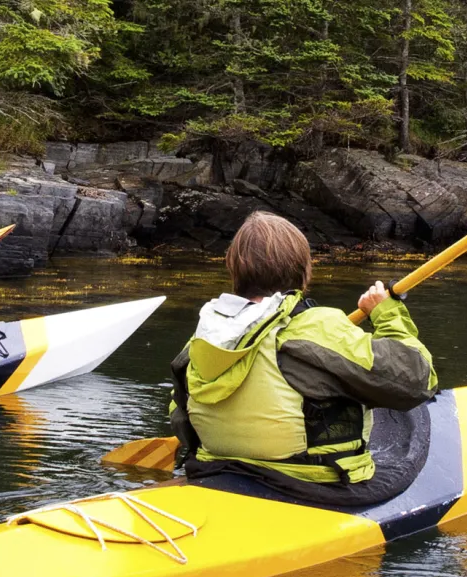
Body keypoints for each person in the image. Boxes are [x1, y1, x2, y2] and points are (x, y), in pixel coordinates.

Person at [169, 211, 438, 506]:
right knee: (405, 409)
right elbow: (417, 380)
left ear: (234, 269)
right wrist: (387, 314)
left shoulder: (206, 334)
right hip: (309, 484)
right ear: (303, 270)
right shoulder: (317, 326)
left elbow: (180, 414)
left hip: (216, 471)